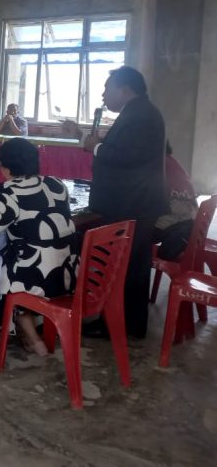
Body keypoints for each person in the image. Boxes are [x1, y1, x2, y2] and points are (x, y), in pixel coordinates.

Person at [0, 138, 79, 356]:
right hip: (69, 272)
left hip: (36, 278)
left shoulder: (8, 191)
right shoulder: (57, 183)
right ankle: (30, 327)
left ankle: (20, 330)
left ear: (6, 166)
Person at [83, 65, 168, 338]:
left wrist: (96, 147)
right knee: (130, 265)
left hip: (134, 203)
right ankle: (127, 322)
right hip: (134, 201)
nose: (103, 95)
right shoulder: (138, 112)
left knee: (126, 265)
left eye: (107, 89)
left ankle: (121, 324)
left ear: (125, 89)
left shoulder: (141, 116)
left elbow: (126, 158)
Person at [153, 142, 198, 261]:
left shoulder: (157, 164)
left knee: (128, 233)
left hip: (175, 226)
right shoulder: (171, 161)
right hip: (188, 223)